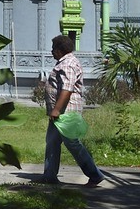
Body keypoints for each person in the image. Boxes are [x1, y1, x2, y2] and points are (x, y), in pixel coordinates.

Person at [32, 35, 104, 187]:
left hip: (66, 112)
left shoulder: (68, 64)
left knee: (72, 143)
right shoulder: (65, 62)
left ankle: (95, 175)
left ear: (60, 50)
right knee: (52, 142)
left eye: (54, 49)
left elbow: (67, 88)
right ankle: (49, 175)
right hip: (59, 113)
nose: (52, 52)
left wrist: (57, 110)